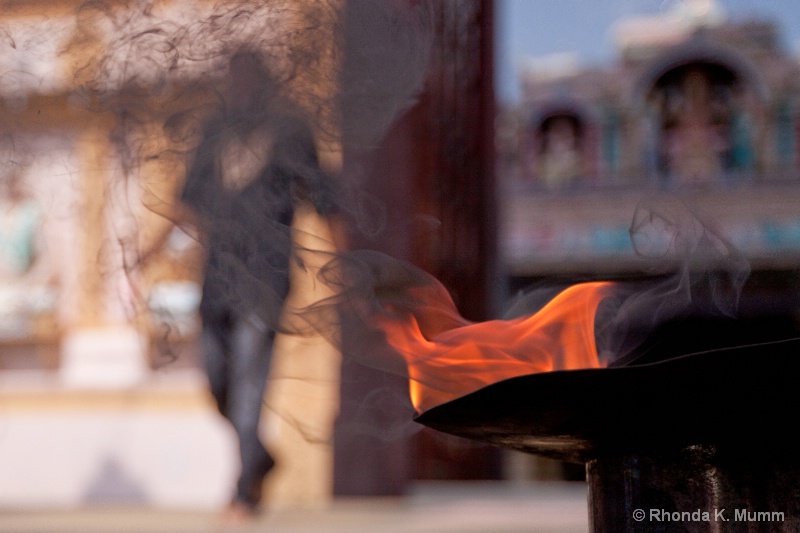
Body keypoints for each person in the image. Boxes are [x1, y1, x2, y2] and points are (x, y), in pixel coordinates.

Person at [146, 49, 340, 520]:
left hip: (267, 277)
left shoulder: (292, 132)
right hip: (217, 278)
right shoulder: (215, 132)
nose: (238, 88)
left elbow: (324, 200)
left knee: (252, 378)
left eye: (246, 78)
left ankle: (243, 491)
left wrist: (347, 267)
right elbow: (186, 201)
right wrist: (148, 250)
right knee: (217, 380)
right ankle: (261, 457)